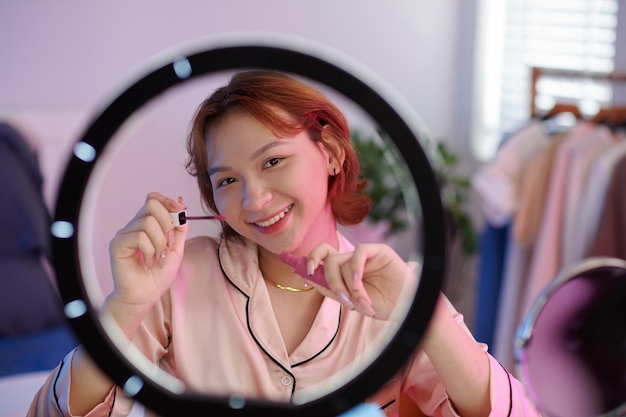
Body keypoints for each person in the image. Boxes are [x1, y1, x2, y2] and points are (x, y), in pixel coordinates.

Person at [28, 71, 541, 417]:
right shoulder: (178, 274)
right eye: (226, 180)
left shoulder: (393, 289)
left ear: (334, 152)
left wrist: (421, 313)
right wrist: (128, 304)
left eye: (273, 161)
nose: (254, 199)